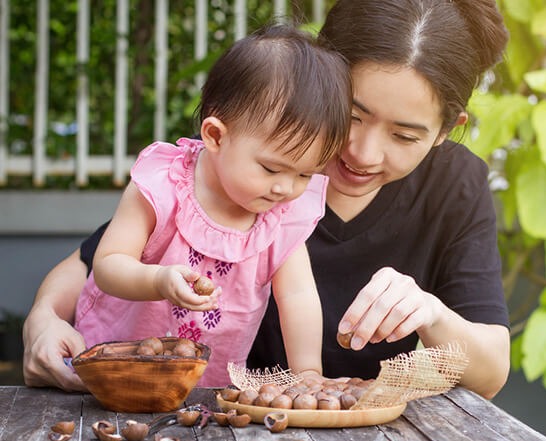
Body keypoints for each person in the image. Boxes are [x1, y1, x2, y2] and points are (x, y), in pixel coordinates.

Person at [23, 0, 511, 398]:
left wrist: (432, 313)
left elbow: (490, 375)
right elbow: (90, 263)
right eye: (352, 116)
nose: (361, 153)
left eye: (405, 136)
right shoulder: (245, 158)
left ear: (448, 129)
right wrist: (43, 321)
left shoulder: (455, 185)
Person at [66, 24, 351, 387]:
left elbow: (298, 295)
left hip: (206, 387)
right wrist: (159, 280)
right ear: (215, 135)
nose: (285, 188)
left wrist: (308, 372)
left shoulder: (282, 215)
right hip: (115, 371)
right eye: (271, 168)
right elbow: (107, 266)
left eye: (305, 175)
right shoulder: (162, 184)